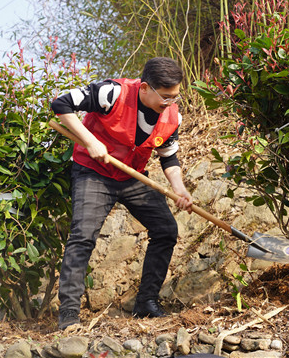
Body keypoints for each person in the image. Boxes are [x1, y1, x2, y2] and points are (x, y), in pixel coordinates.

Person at [51, 57, 193, 330]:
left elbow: (168, 158)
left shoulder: (173, 115)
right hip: (93, 173)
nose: (170, 102)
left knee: (165, 229)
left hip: (131, 175)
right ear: (145, 88)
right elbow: (60, 104)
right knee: (82, 238)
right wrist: (91, 141)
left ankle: (146, 303)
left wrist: (180, 190)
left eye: (175, 96)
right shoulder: (112, 93)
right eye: (165, 97)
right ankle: (69, 315)